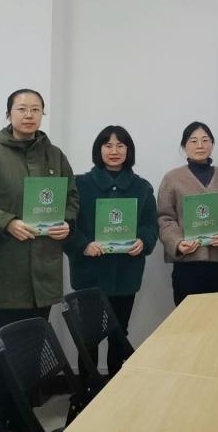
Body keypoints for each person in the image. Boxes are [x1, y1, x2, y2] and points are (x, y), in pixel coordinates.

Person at [0, 88, 79, 429]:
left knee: (29, 360)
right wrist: (7, 222)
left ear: (43, 114)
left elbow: (72, 198)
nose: (29, 115)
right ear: (9, 114)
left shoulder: (55, 157)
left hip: (40, 280)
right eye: (21, 109)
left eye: (35, 109)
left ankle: (21, 420)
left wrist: (66, 222)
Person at [64, 125, 158, 379]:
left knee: (119, 334)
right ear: (99, 150)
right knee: (89, 337)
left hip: (125, 275)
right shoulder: (80, 184)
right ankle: (88, 390)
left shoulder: (142, 187)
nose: (114, 151)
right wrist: (83, 244)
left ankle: (117, 386)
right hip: (89, 275)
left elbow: (151, 225)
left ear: (129, 150)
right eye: (108, 145)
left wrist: (143, 241)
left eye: (120, 145)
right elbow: (66, 225)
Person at [158, 121, 218, 305]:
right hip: (187, 261)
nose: (200, 145)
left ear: (212, 144)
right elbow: (165, 217)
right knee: (186, 316)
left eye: (205, 140)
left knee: (214, 314)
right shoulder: (172, 179)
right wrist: (177, 242)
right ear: (184, 146)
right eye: (193, 141)